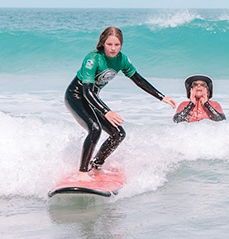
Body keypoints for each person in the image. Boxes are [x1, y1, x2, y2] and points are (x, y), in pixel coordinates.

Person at [65, 26, 176, 180]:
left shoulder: (121, 59)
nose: (113, 48)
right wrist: (106, 112)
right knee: (95, 129)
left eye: (117, 45)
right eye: (109, 44)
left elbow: (138, 79)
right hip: (76, 96)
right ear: (103, 43)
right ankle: (82, 171)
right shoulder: (93, 59)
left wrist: (162, 97)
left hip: (93, 99)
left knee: (118, 134)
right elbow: (87, 92)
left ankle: (96, 166)